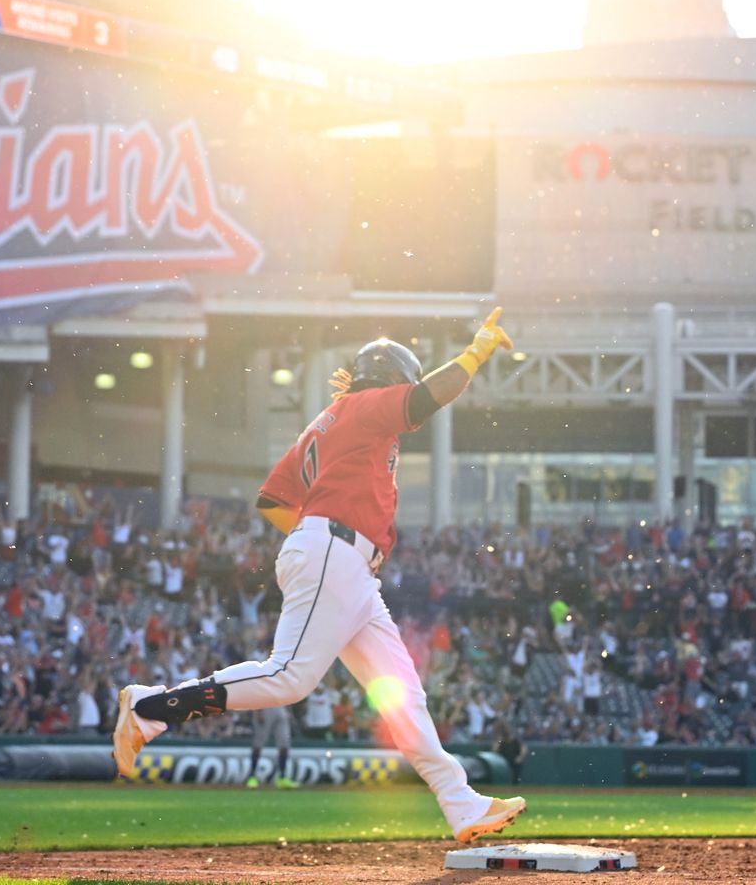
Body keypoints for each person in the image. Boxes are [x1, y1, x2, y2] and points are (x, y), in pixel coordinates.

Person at [113, 309, 526, 844]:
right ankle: (150, 706)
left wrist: (314, 535)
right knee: (289, 676)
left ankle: (461, 802)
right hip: (335, 552)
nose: (407, 394)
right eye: (404, 380)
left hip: (341, 559)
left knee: (401, 694)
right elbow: (427, 396)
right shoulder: (365, 407)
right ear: (389, 377)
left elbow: (271, 499)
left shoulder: (331, 419)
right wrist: (476, 351)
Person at [246, 704, 296, 789]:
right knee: (258, 743)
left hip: (281, 706)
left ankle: (282, 777)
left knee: (284, 742)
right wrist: (258, 711)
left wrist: (289, 710)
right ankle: (252, 776)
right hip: (265, 707)